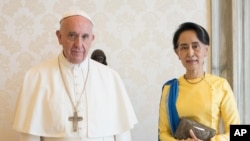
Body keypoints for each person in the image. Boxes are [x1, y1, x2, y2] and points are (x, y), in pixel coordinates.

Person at [12, 10, 137, 141]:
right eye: (72, 35)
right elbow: (29, 134)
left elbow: (123, 132)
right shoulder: (36, 77)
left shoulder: (111, 78)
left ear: (92, 39)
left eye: (85, 37)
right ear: (59, 37)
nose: (78, 44)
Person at [158, 22, 240, 141]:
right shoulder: (169, 89)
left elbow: (239, 132)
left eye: (195, 46)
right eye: (184, 47)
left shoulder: (221, 85)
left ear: (206, 50)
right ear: (177, 53)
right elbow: (163, 133)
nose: (190, 53)